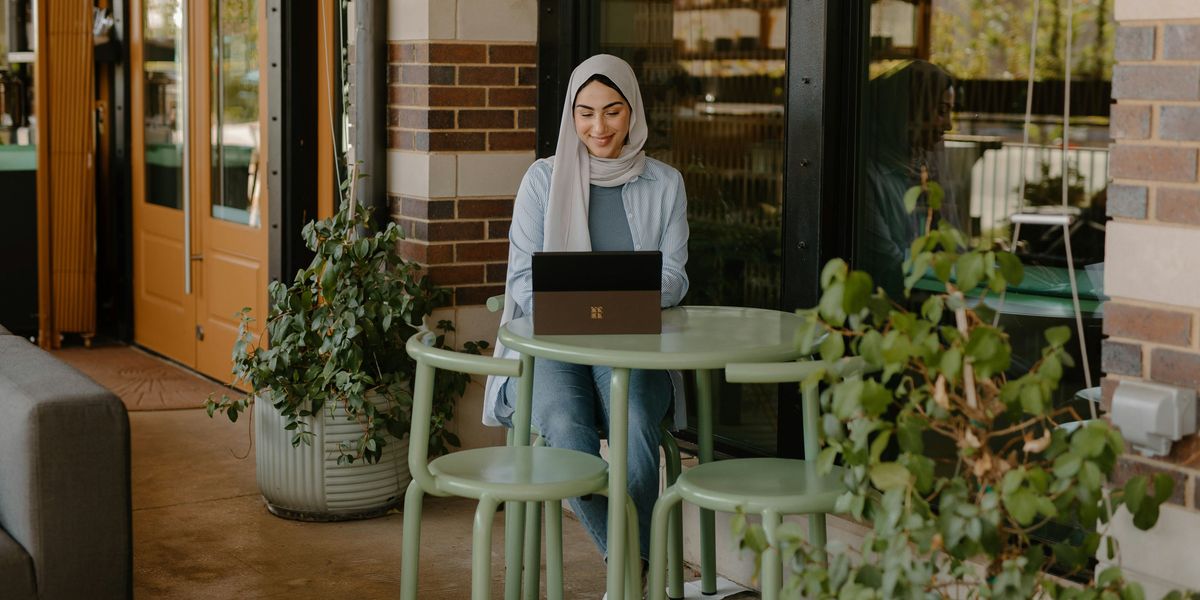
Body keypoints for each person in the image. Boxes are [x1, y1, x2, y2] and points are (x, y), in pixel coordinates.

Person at [482, 54, 689, 567]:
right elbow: (525, 285)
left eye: (613, 111)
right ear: (571, 117)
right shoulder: (542, 181)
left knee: (638, 421)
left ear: (633, 112)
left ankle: (628, 571)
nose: (599, 127)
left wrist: (593, 293)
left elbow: (675, 278)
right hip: (554, 345)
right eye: (586, 112)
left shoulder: (666, 185)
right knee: (564, 426)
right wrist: (615, 292)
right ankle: (633, 564)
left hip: (634, 343)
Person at [860, 59, 958, 297]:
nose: (948, 125)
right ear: (911, 111)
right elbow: (888, 267)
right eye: (942, 111)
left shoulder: (919, 171)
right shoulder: (866, 178)